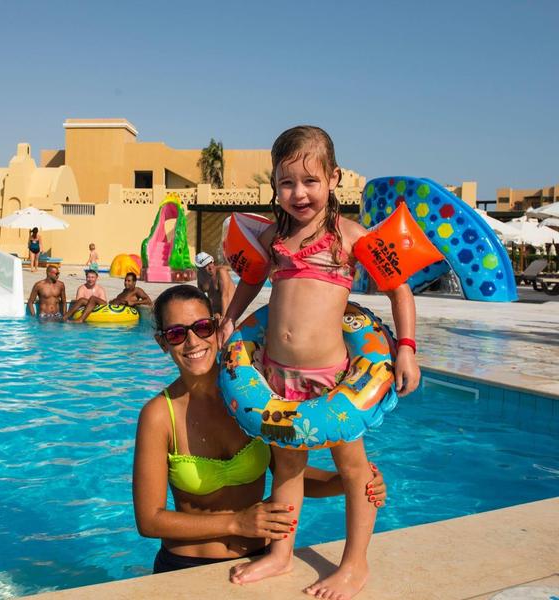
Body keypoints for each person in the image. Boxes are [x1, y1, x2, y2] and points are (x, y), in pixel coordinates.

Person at [219, 126, 419, 596]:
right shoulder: (273, 237)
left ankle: (354, 564)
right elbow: (250, 282)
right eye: (287, 183)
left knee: (354, 470)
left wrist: (406, 348)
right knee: (286, 469)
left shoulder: (350, 238)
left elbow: (399, 290)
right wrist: (230, 319)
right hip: (276, 375)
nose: (298, 193)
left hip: (333, 381)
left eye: (310, 181)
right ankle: (282, 554)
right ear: (274, 186)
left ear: (333, 179)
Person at [133, 285, 387, 575]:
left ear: (217, 327)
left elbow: (288, 473)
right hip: (185, 567)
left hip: (261, 558)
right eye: (177, 334)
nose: (192, 342)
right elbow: (149, 520)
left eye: (202, 327)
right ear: (162, 342)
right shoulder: (158, 416)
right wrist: (236, 522)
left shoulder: (252, 397)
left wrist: (345, 482)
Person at [194, 251, 236, 318]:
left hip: (229, 309)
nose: (210, 268)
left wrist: (223, 318)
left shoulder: (221, 273)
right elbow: (201, 298)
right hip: (214, 310)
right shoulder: (200, 275)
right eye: (206, 266)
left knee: (217, 320)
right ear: (200, 269)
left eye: (210, 263)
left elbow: (225, 297)